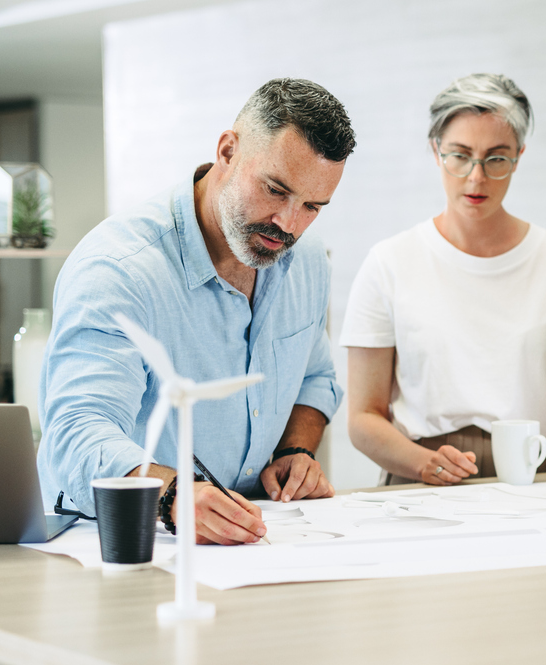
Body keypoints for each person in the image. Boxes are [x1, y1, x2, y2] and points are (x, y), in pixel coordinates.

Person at [38, 78, 355, 545]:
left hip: (254, 544)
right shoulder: (118, 270)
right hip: (124, 541)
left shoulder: (305, 261)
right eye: (275, 190)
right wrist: (172, 497)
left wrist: (294, 448)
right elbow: (77, 433)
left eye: (312, 206)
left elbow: (315, 378)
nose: (288, 224)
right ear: (228, 151)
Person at [342, 73, 546, 486]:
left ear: (519, 156)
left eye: (496, 158)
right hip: (423, 477)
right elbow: (362, 418)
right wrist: (419, 462)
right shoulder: (389, 262)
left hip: (534, 474)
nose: (476, 177)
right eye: (460, 155)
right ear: (435, 151)